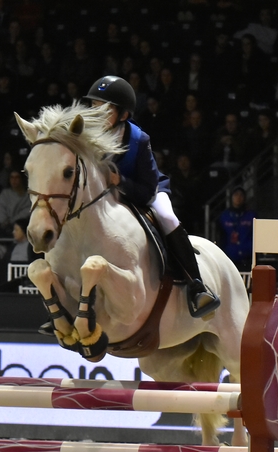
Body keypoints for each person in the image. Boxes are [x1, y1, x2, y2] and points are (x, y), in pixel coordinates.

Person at [84, 75, 219, 318]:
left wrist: (120, 181)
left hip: (144, 190)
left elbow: (147, 191)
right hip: (103, 198)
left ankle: (196, 286)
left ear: (123, 115)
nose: (97, 114)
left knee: (167, 217)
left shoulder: (139, 140)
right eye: (94, 107)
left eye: (105, 109)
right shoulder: (84, 135)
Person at [219, 187, 255, 271]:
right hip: (230, 256)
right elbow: (221, 236)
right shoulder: (225, 216)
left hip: (247, 257)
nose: (238, 197)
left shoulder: (251, 215)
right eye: (236, 195)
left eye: (241, 195)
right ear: (231, 197)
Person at [0, 170, 28, 237]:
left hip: (21, 224)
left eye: (17, 177)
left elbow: (27, 211)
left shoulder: (27, 196)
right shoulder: (4, 193)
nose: (14, 180)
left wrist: (12, 221)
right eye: (12, 177)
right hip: (4, 224)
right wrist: (4, 221)